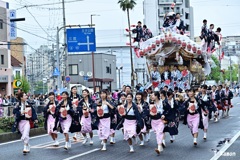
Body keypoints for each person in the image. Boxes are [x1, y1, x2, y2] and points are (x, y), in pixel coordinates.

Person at [150, 91, 168, 155]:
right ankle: (160, 146)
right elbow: (148, 111)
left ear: (157, 96)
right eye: (151, 95)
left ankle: (159, 147)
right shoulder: (151, 103)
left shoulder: (163, 103)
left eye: (153, 95)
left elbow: (167, 109)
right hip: (154, 121)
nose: (152, 97)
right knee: (157, 133)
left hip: (160, 120)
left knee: (159, 132)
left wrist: (164, 114)